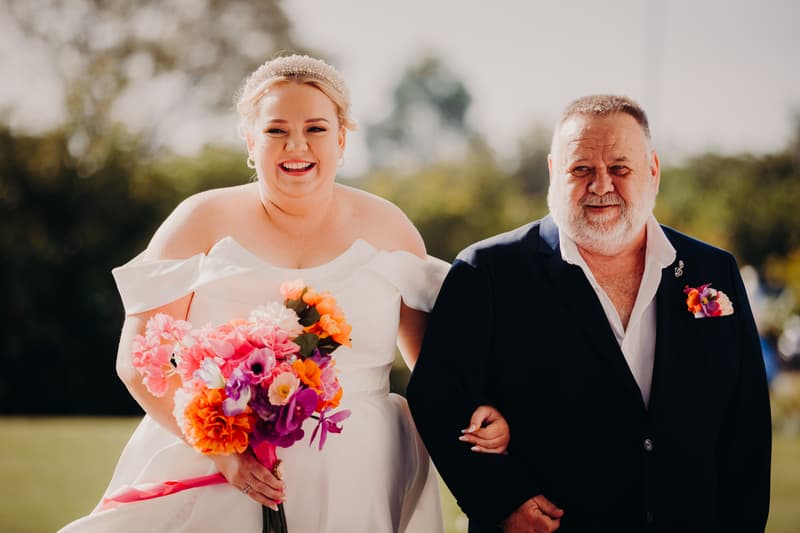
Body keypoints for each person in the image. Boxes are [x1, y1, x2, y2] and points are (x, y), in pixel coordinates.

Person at [58, 54, 509, 533]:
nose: (297, 145)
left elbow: (434, 370)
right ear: (251, 141)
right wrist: (226, 456)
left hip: (362, 473)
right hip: (216, 472)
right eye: (276, 130)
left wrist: (482, 412)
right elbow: (137, 362)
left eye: (315, 128)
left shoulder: (390, 228)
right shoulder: (200, 220)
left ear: (341, 138)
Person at [407, 94, 772, 533]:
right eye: (581, 169)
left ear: (653, 170)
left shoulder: (714, 270)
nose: (601, 185)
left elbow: (746, 423)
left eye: (620, 168)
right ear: (552, 172)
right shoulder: (486, 270)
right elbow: (437, 397)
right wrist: (500, 501)